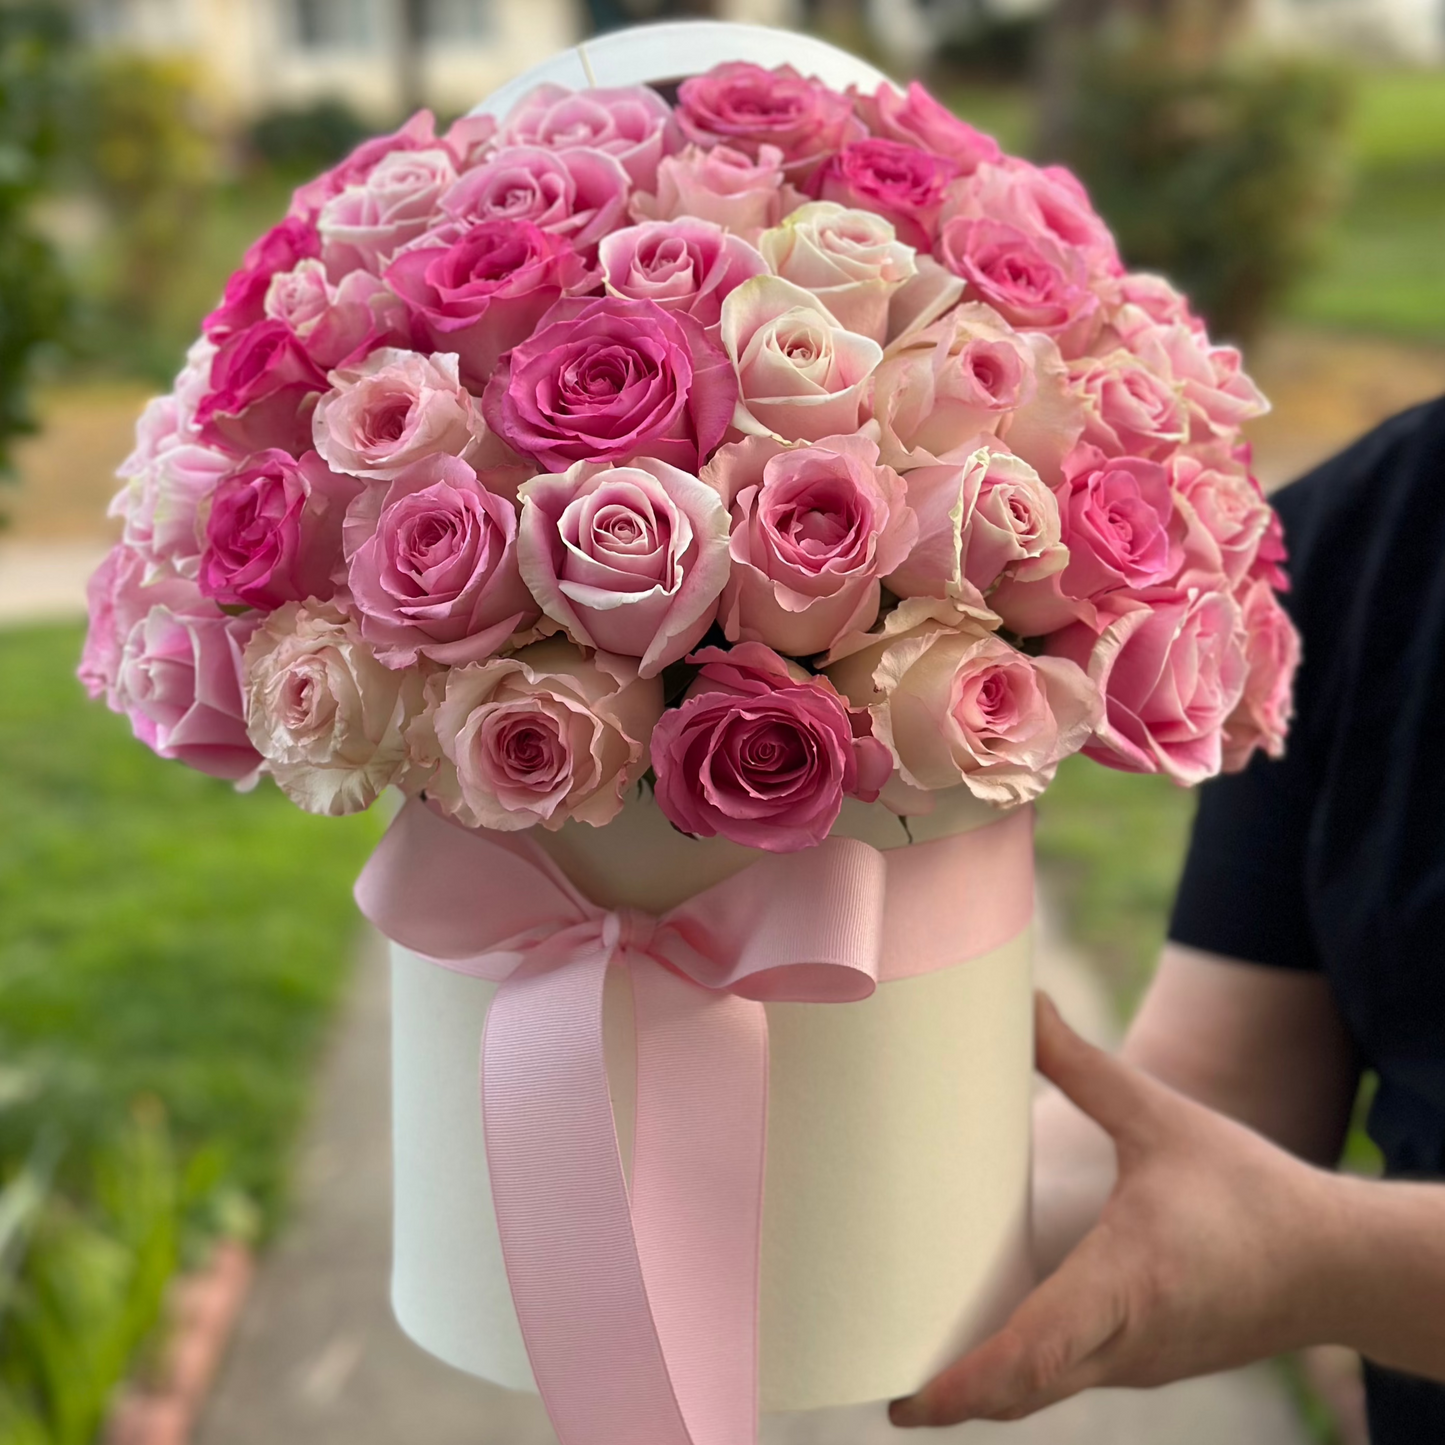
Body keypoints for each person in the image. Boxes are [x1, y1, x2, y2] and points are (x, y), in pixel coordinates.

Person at [889, 397, 1445, 1443]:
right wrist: (836, 1189)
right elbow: (1218, 1095)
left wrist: (1319, 1258)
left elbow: (1273, 1235)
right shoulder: (1369, 533)